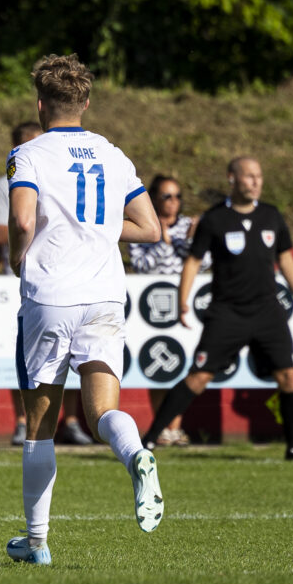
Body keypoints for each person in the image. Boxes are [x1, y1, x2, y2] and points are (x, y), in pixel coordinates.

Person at [4, 53, 164, 566]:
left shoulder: (27, 153)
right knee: (101, 411)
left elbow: (24, 222)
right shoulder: (113, 155)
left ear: (40, 104)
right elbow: (151, 228)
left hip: (51, 296)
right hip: (104, 296)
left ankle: (37, 543)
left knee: (40, 424)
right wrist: (93, 231)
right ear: (86, 103)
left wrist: (15, 257)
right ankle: (136, 455)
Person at [141, 157, 293, 461]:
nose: (255, 181)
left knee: (288, 375)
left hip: (267, 311)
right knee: (199, 377)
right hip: (227, 312)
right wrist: (183, 301)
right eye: (248, 176)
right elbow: (193, 261)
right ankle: (149, 442)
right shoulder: (215, 219)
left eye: (258, 176)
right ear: (232, 179)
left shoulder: (271, 216)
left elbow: (285, 259)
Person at [0, 121, 92, 447]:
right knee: (25, 354)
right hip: (24, 277)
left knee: (72, 353)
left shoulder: (61, 176)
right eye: (24, 142)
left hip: (63, 275)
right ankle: (25, 422)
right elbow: (2, 230)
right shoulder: (7, 179)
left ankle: (72, 421)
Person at [128, 175, 209, 447]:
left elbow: (203, 261)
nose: (173, 203)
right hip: (153, 308)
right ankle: (163, 428)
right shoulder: (142, 225)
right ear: (153, 199)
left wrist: (190, 241)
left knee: (185, 364)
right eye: (166, 196)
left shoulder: (188, 225)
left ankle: (176, 428)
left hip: (185, 304)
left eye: (177, 196)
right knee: (158, 366)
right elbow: (142, 265)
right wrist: (163, 242)